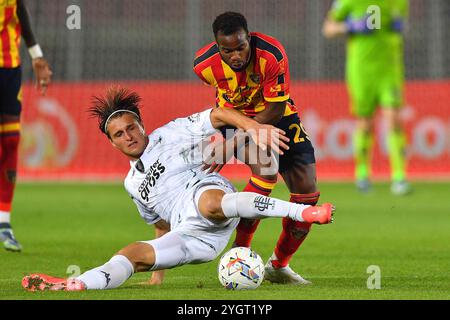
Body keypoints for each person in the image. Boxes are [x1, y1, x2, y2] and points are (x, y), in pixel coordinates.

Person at [21, 87, 334, 291]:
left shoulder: (170, 134)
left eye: (132, 127)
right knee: (133, 254)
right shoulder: (131, 184)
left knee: (208, 203)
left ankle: (305, 211)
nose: (128, 136)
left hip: (209, 195)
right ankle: (75, 284)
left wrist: (250, 127)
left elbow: (217, 114)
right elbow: (160, 225)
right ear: (112, 142)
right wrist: (157, 276)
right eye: (119, 134)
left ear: (142, 125)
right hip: (193, 238)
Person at [193, 12, 320, 284]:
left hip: (277, 115)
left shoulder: (271, 55)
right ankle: (240, 253)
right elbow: (220, 106)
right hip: (235, 117)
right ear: (218, 47)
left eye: (241, 47)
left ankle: (278, 265)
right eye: (228, 50)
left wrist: (231, 145)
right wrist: (236, 132)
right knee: (265, 171)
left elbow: (275, 109)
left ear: (248, 38)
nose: (236, 56)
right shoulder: (203, 66)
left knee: (307, 193)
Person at [322, 0, 411, 195]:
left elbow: (403, 22)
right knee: (365, 123)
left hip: (390, 69)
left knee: (394, 119)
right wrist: (349, 26)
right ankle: (362, 174)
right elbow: (328, 28)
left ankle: (399, 177)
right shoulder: (349, 1)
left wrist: (400, 26)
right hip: (361, 71)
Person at [0, 0, 52, 252]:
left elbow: (19, 8)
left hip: (9, 67)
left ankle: (4, 222)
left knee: (11, 142)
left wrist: (37, 55)